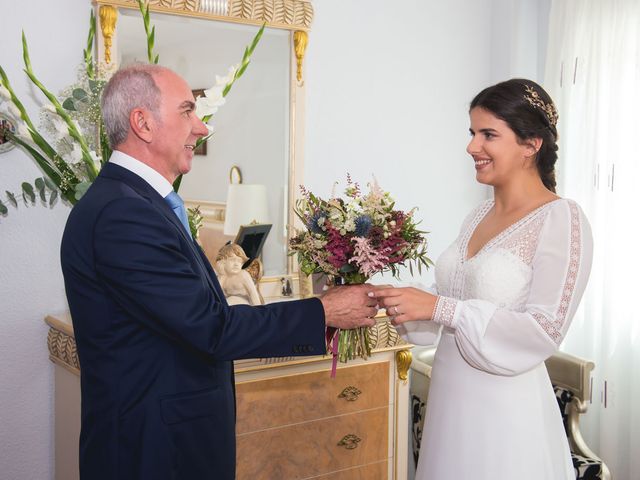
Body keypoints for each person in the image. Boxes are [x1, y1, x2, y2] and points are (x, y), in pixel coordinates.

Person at [60, 63, 378, 480]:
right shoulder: (124, 213)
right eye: (187, 112)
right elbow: (212, 328)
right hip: (151, 450)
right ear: (143, 123)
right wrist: (323, 310)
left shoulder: (136, 202)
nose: (202, 129)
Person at [372, 79, 593, 479]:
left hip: (506, 417)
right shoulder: (477, 216)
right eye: (472, 133)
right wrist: (394, 297)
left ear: (531, 144)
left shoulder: (562, 220)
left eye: (488, 134)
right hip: (451, 405)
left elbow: (543, 330)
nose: (472, 147)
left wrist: (439, 307)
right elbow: (452, 295)